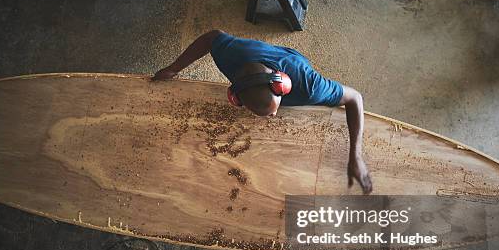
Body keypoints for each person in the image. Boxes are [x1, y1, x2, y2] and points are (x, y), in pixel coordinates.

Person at [153, 30, 373, 194]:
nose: (274, 117)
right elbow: (209, 38)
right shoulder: (230, 54)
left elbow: (355, 98)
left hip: (291, 61)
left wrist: (356, 155)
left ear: (282, 88)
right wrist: (174, 67)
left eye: (271, 111)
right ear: (235, 98)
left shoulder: (310, 86)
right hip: (252, 57)